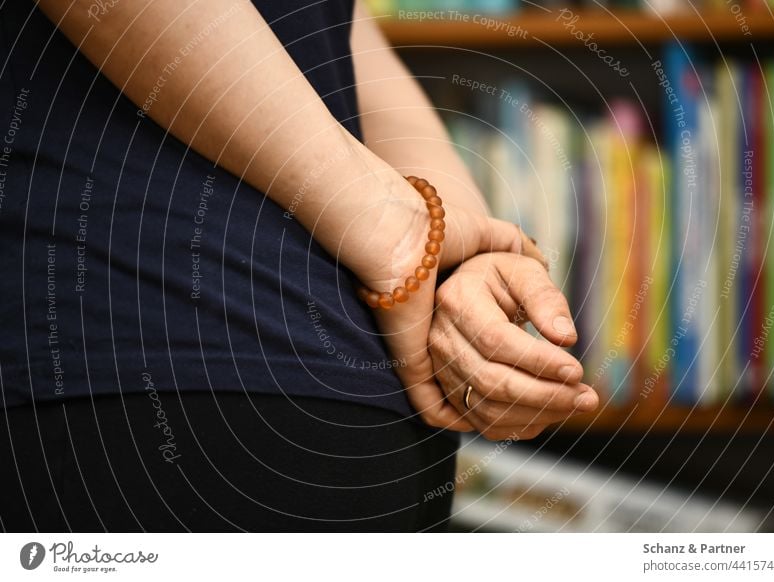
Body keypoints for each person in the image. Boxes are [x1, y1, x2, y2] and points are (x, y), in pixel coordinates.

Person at [0, 0, 598, 532]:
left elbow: (335, 25)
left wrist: (456, 252)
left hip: (174, 385)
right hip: (203, 383)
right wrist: (405, 234)